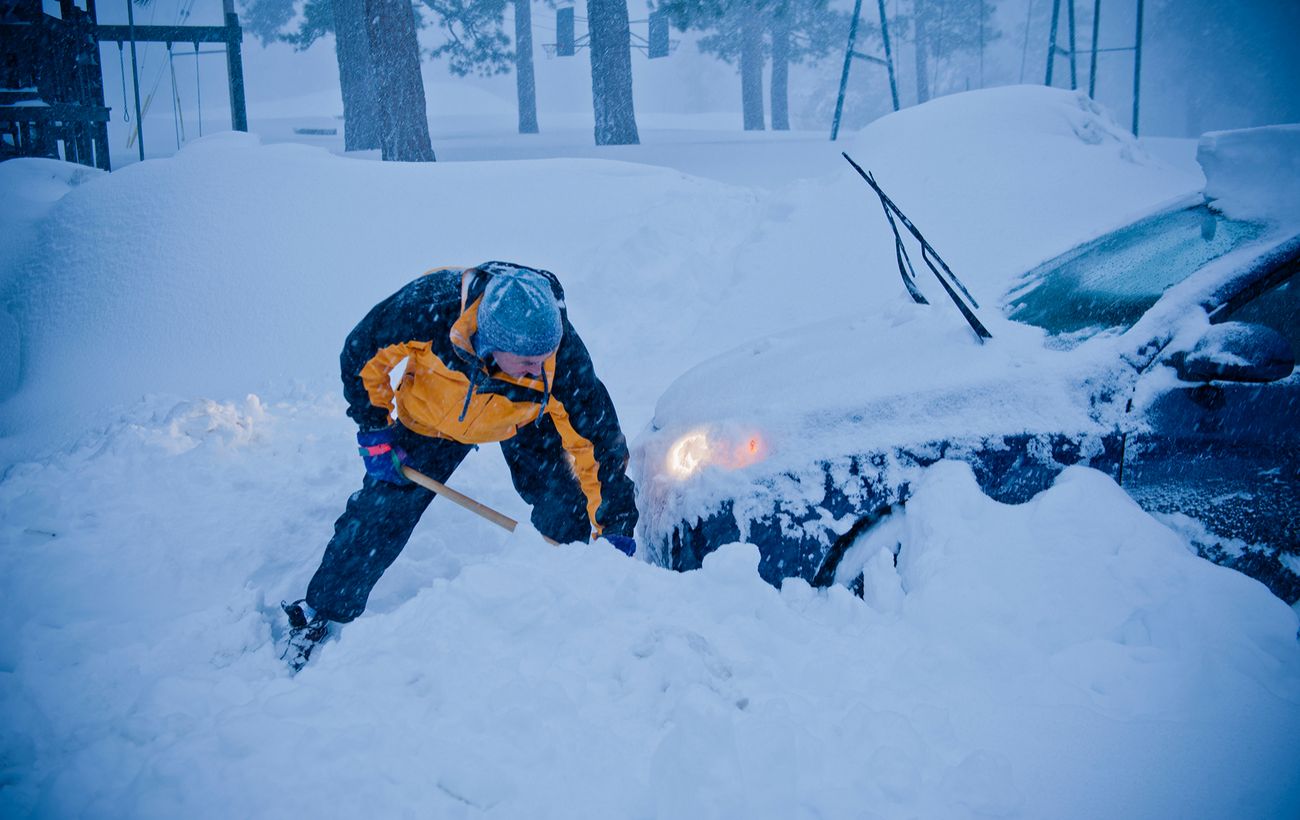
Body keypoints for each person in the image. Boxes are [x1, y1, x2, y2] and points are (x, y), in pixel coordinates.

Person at [282, 261, 638, 671]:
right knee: (380, 516)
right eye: (527, 361)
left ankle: (575, 593)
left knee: (565, 506)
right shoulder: (427, 308)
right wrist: (374, 429)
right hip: (432, 419)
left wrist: (614, 526)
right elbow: (363, 354)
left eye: (545, 358)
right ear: (491, 340)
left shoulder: (560, 359)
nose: (539, 369)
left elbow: (598, 445)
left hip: (521, 417)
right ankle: (321, 610)